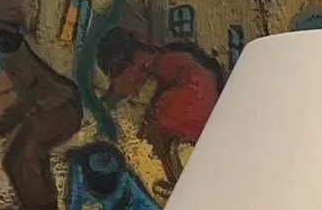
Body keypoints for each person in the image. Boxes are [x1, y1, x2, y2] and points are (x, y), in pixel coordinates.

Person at [94, 29, 224, 196]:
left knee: (160, 130)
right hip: (198, 97)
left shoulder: (160, 62)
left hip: (195, 98)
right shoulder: (165, 59)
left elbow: (127, 86)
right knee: (157, 131)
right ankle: (180, 183)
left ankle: (182, 186)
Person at [0, 21, 83, 210]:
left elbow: (33, 94)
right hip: (56, 107)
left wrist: (6, 123)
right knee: (26, 155)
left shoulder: (17, 60)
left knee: (20, 157)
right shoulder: (17, 56)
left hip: (60, 110)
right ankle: (42, 206)